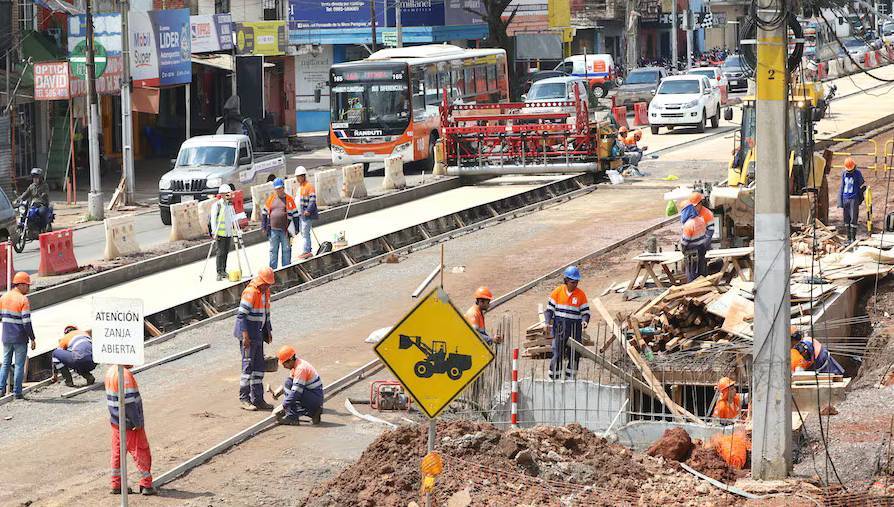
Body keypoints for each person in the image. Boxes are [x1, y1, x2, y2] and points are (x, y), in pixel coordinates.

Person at [105, 365, 156, 495]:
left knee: (118, 454)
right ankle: (146, 485)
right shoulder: (124, 374)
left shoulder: (111, 372)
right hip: (129, 423)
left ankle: (116, 485)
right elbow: (128, 402)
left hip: (117, 422)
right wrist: (137, 422)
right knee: (141, 451)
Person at [235, 267, 276, 411]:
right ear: (260, 281)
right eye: (266, 284)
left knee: (259, 368)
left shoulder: (266, 292)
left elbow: (266, 313)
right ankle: (244, 399)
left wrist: (268, 331)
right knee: (247, 368)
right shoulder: (250, 292)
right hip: (248, 336)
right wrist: (245, 336)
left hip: (258, 334)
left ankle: (258, 400)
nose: (267, 286)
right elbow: (241, 316)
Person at [545, 266, 590, 380]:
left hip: (575, 330)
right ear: (566, 280)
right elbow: (549, 310)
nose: (575, 284)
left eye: (576, 282)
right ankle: (554, 378)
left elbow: (586, 312)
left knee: (574, 354)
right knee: (558, 354)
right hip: (559, 329)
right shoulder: (557, 292)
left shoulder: (581, 295)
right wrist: (547, 322)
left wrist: (585, 321)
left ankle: (571, 379)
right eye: (572, 282)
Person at [0, 272, 36, 399]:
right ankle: (17, 392)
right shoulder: (23, 300)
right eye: (27, 285)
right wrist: (32, 338)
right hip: (19, 338)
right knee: (19, 365)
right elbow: (26, 322)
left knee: (5, 363)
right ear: (20, 285)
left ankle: (1, 390)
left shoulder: (3, 298)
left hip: (6, 337)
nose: (28, 288)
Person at [275, 345, 323, 426]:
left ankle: (292, 417)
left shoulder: (300, 369)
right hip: (314, 397)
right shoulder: (297, 364)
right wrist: (280, 391)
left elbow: (295, 392)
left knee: (290, 389)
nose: (283, 366)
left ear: (290, 360)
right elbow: (293, 383)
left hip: (314, 398)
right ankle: (314, 412)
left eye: (284, 363)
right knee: (289, 385)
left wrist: (283, 406)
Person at [261, 178, 300, 269]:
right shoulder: (271, 198)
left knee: (286, 249)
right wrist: (263, 227)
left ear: (283, 188)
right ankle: (273, 270)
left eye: (280, 188)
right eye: (277, 189)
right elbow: (264, 212)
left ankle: (286, 268)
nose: (279, 190)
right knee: (273, 250)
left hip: (285, 230)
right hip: (273, 230)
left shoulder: (289, 199)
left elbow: (295, 215)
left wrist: (297, 229)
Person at [208, 184, 238, 281]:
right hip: (220, 233)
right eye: (226, 194)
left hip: (228, 233)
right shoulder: (217, 205)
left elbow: (231, 218)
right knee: (220, 252)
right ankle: (219, 271)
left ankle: (224, 270)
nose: (228, 195)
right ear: (222, 194)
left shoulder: (229, 205)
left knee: (225, 252)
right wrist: (214, 232)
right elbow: (213, 219)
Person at [839, 157, 866, 244]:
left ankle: (852, 238)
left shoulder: (854, 173)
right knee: (848, 219)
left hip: (851, 198)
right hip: (848, 198)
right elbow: (842, 187)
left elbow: (861, 185)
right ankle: (849, 238)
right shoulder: (847, 173)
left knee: (852, 218)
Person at [680, 201, 708, 282]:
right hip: (702, 250)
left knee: (692, 276)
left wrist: (683, 250)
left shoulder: (688, 224)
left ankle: (693, 291)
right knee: (702, 273)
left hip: (692, 254)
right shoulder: (701, 220)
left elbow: (685, 242)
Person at [295, 166, 319, 260]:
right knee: (303, 232)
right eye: (297, 177)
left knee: (305, 232)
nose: (297, 179)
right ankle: (307, 250)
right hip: (301, 214)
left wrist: (308, 210)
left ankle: (307, 251)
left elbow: (312, 200)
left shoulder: (309, 186)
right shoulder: (300, 187)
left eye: (299, 177)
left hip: (306, 215)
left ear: (303, 176)